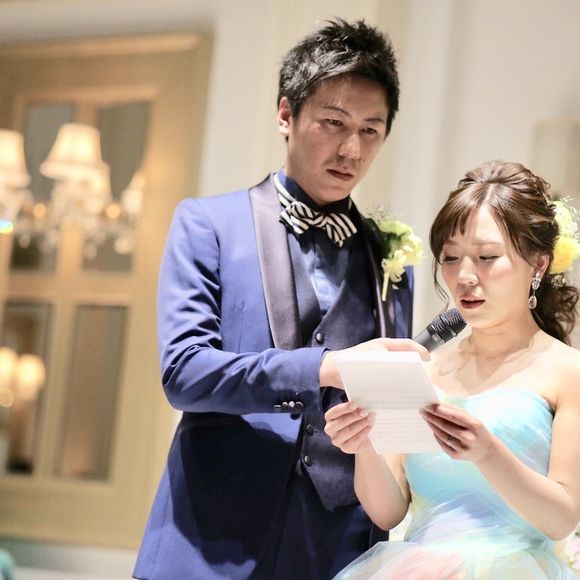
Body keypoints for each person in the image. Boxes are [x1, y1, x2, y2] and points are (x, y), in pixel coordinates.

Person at [133, 18, 422, 580]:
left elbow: (388, 421)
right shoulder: (210, 224)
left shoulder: (391, 259)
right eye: (333, 123)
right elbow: (184, 373)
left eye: (371, 130)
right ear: (286, 114)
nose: (352, 148)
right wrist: (327, 367)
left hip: (339, 548)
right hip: (209, 543)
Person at [326, 160, 580, 579]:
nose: (464, 276)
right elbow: (388, 511)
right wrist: (363, 443)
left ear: (538, 263)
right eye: (450, 257)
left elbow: (562, 518)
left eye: (486, 257)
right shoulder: (422, 370)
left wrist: (487, 453)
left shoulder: (568, 371)